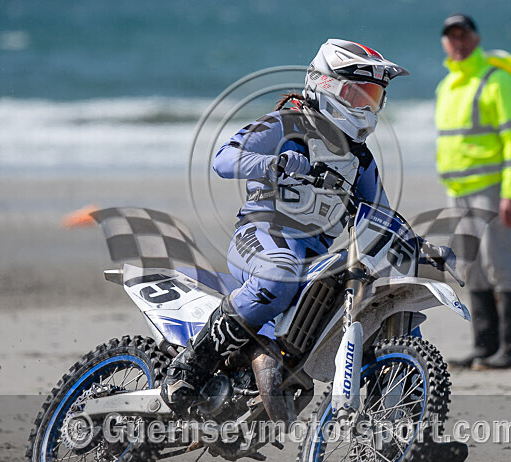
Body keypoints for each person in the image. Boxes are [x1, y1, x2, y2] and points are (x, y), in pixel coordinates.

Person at [161, 39, 408, 412]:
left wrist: (418, 247)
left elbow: (382, 217)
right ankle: (192, 365)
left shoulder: (360, 159)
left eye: (373, 98)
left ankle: (407, 416)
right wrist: (273, 164)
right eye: (357, 96)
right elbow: (223, 159)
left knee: (389, 292)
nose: (365, 108)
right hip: (261, 235)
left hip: (315, 257)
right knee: (279, 277)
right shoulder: (287, 125)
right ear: (327, 86)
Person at [435, 14, 511, 370]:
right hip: (456, 190)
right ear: (444, 43)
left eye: (463, 35)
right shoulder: (447, 85)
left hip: (491, 189)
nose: (457, 42)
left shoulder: (498, 81)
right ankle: (485, 348)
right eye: (451, 37)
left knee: (500, 263)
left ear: (475, 39)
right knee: (470, 267)